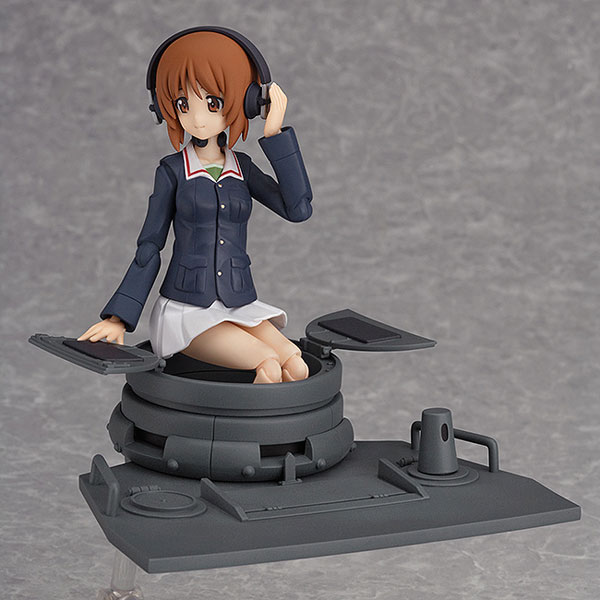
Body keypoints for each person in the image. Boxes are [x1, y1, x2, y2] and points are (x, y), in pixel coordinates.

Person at [78, 30, 313, 384]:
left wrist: (275, 135)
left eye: (213, 103)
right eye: (183, 104)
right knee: (267, 363)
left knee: (295, 364)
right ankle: (237, 422)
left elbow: (298, 209)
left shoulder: (243, 168)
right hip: (188, 309)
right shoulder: (173, 171)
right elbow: (150, 245)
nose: (198, 118)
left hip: (238, 302)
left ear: (247, 101)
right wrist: (119, 317)